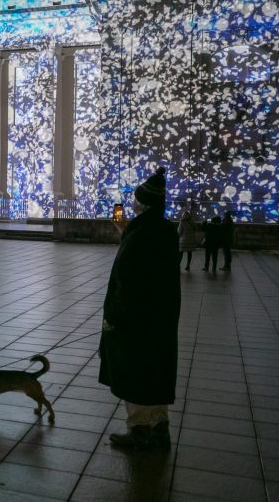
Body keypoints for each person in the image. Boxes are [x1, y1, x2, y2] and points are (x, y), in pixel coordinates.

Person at [99, 167, 180, 449]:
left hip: (135, 321)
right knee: (158, 372)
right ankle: (160, 428)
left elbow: (128, 280)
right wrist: (126, 230)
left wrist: (115, 317)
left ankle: (139, 429)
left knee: (134, 372)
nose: (131, 204)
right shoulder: (165, 230)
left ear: (142, 204)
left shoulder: (140, 234)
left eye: (135, 200)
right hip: (162, 319)